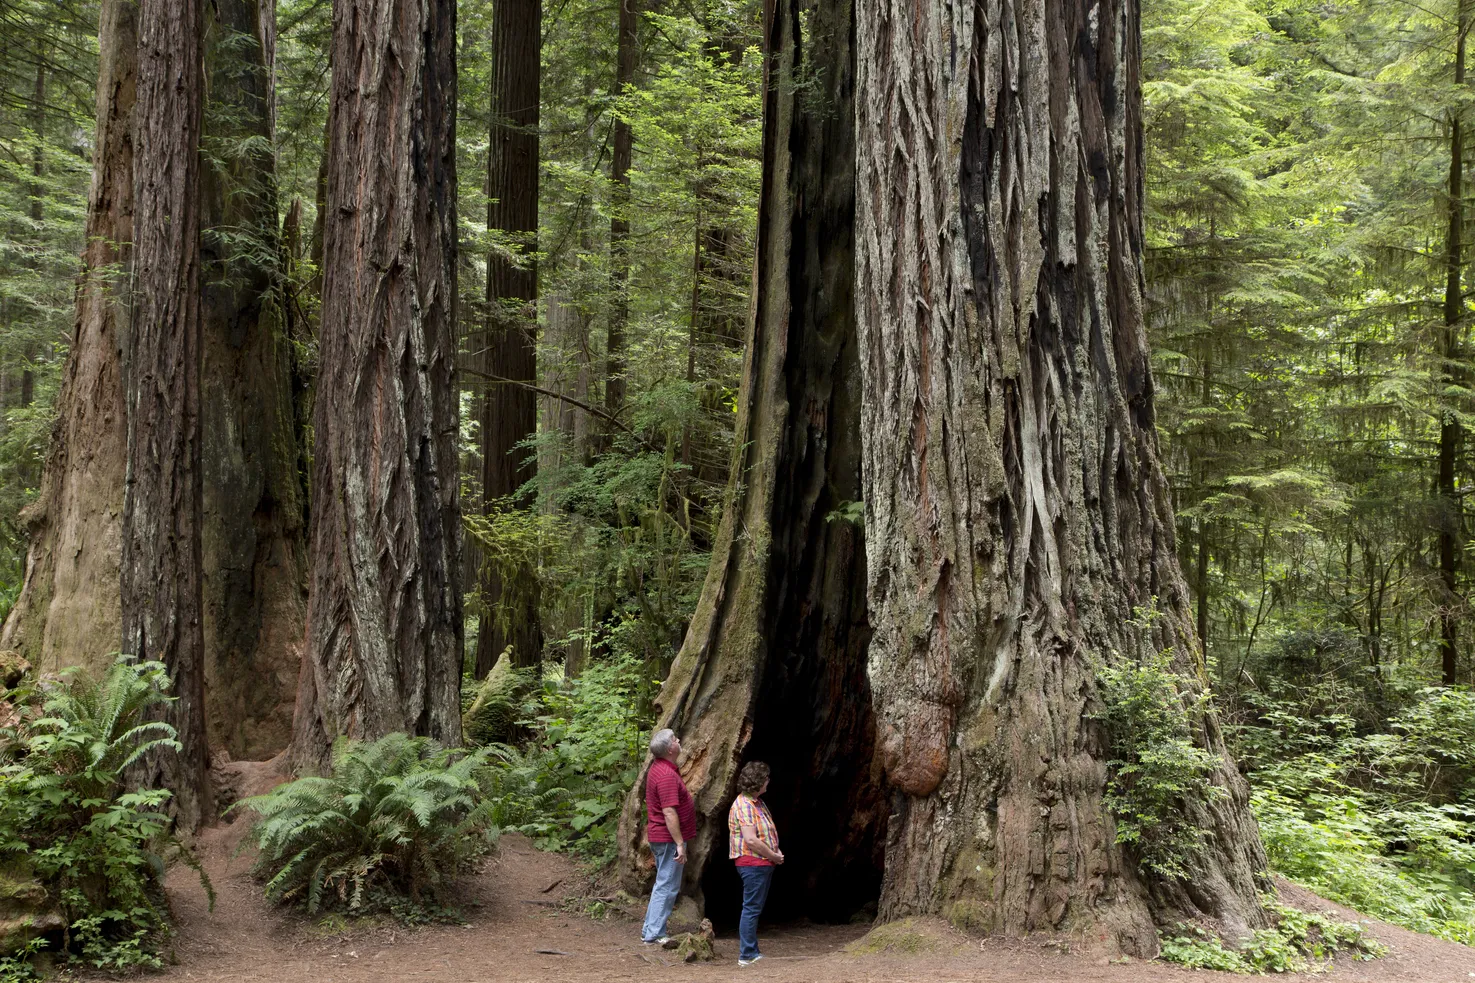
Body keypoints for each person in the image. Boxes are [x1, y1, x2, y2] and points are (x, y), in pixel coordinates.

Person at [728, 760, 783, 967]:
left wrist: (775, 851)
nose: (768, 782)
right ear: (758, 782)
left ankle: (752, 951)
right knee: (751, 908)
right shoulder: (744, 805)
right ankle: (747, 954)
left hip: (762, 862)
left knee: (754, 907)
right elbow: (750, 839)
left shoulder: (757, 803)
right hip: (752, 862)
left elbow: (765, 832)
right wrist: (774, 855)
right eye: (766, 778)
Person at [642, 728, 695, 945]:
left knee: (664, 883)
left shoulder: (661, 768)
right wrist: (680, 843)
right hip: (667, 838)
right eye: (674, 739)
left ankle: (650, 929)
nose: (679, 740)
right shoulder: (665, 775)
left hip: (662, 837)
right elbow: (669, 812)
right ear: (669, 749)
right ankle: (655, 933)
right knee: (668, 885)